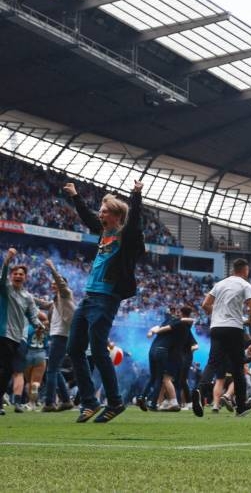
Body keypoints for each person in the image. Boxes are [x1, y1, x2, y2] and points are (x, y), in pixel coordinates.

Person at [64, 180, 145, 424]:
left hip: (106, 297)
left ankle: (115, 402)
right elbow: (88, 217)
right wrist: (76, 196)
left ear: (117, 215)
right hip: (89, 297)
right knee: (74, 349)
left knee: (98, 349)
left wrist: (136, 195)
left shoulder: (126, 237)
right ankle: (89, 401)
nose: (101, 213)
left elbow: (134, 223)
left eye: (106, 210)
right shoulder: (103, 234)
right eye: (101, 210)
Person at [201, 258, 251, 417]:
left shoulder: (220, 284)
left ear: (233, 269)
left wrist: (218, 314)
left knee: (212, 363)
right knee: (237, 369)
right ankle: (240, 407)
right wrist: (249, 320)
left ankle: (199, 390)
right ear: (245, 270)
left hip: (216, 327)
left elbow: (205, 305)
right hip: (234, 328)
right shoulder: (245, 285)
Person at [1, 249, 44, 415]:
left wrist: (39, 325)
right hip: (2, 334)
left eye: (21, 274)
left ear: (25, 278)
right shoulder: (5, 289)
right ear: (11, 276)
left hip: (17, 338)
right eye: (15, 274)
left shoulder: (27, 297)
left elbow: (33, 316)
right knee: (5, 369)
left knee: (7, 371)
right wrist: (7, 260)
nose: (18, 276)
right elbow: (2, 277)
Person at [38, 259, 76, 411]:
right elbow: (42, 303)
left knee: (51, 370)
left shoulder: (66, 294)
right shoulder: (57, 300)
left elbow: (60, 283)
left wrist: (52, 268)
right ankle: (66, 401)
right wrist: (26, 297)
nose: (53, 285)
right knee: (56, 369)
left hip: (60, 336)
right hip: (58, 336)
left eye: (56, 283)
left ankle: (49, 403)